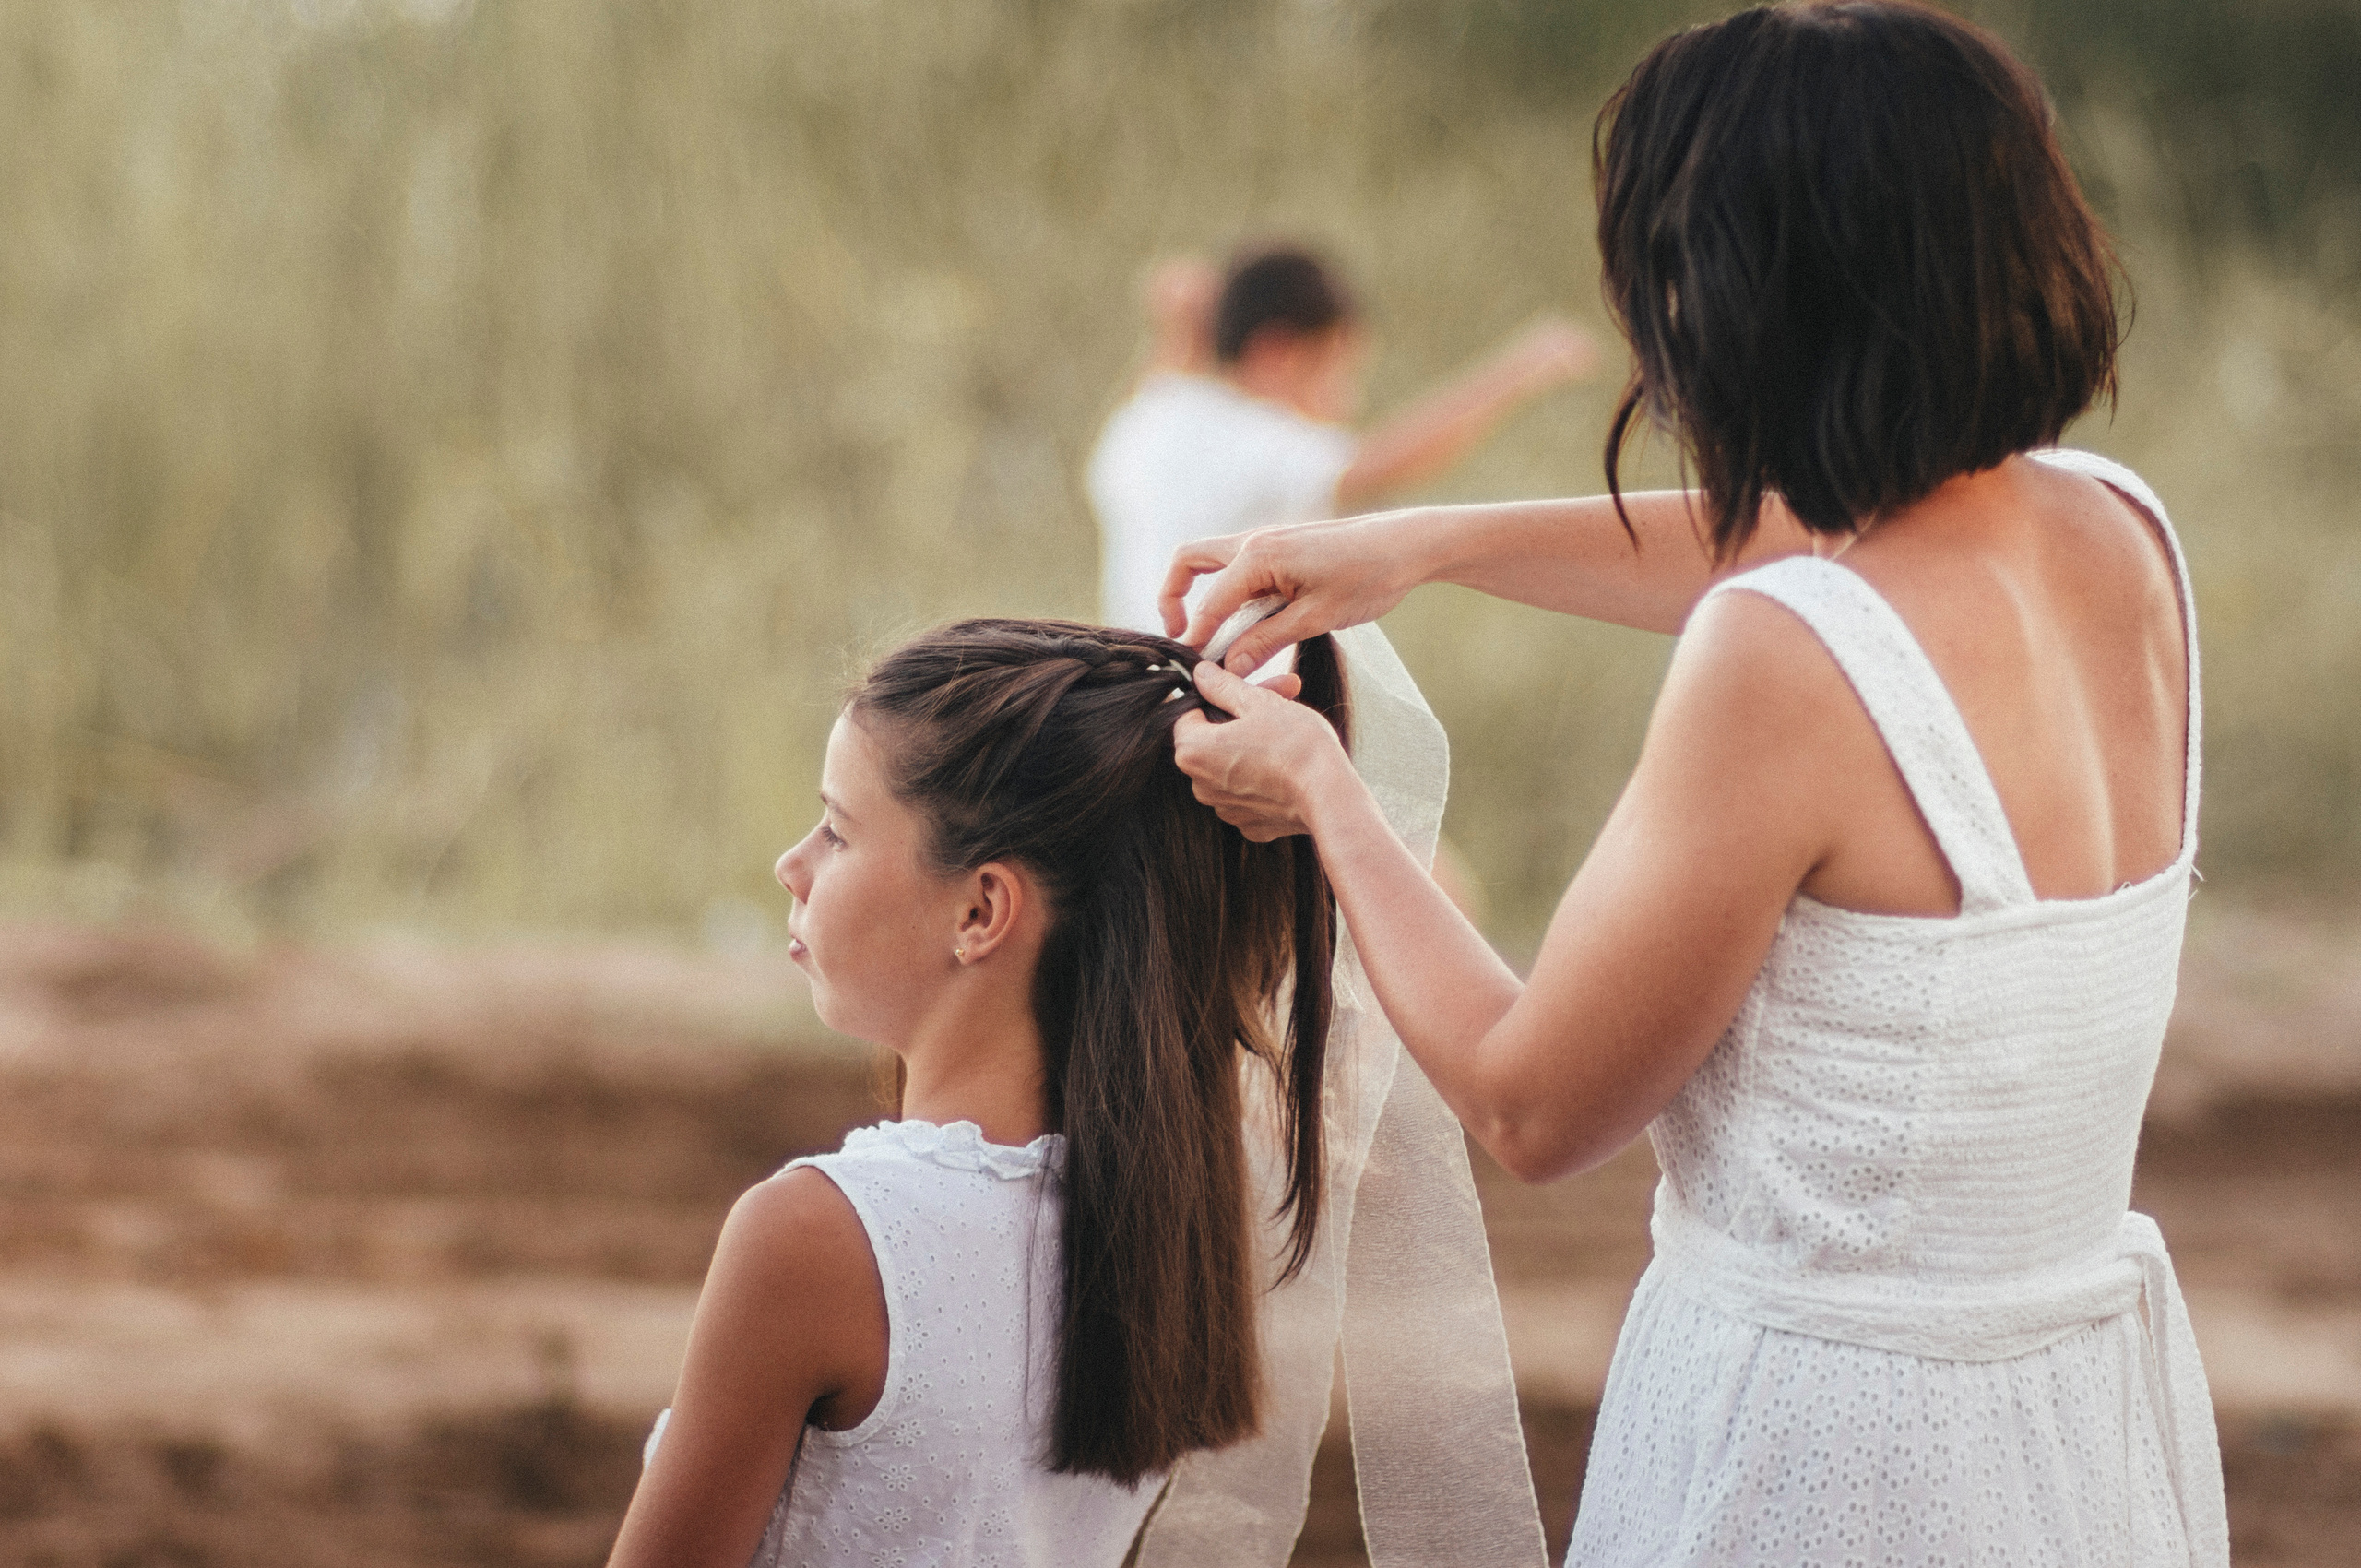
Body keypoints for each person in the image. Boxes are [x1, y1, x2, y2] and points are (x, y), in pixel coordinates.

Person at [1162, 5, 2228, 1564]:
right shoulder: (2111, 534)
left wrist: (1329, 798)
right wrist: (1429, 545)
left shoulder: (1783, 660)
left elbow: (1534, 1103)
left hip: (1831, 1455)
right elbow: (1835, 542)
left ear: (1737, 299)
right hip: (2078, 1427)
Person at [605, 620, 1347, 1568]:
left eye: (836, 829)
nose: (792, 864)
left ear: (979, 910)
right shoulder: (1166, 1217)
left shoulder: (815, 1238)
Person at [1086, 243, 1597, 634]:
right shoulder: (1254, 439)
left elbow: (1171, 367)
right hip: (1232, 715)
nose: (1347, 402)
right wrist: (1525, 369)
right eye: (1337, 371)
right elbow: (1379, 465)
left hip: (1142, 708)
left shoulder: (1146, 417)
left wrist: (1181, 327)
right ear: (1277, 352)